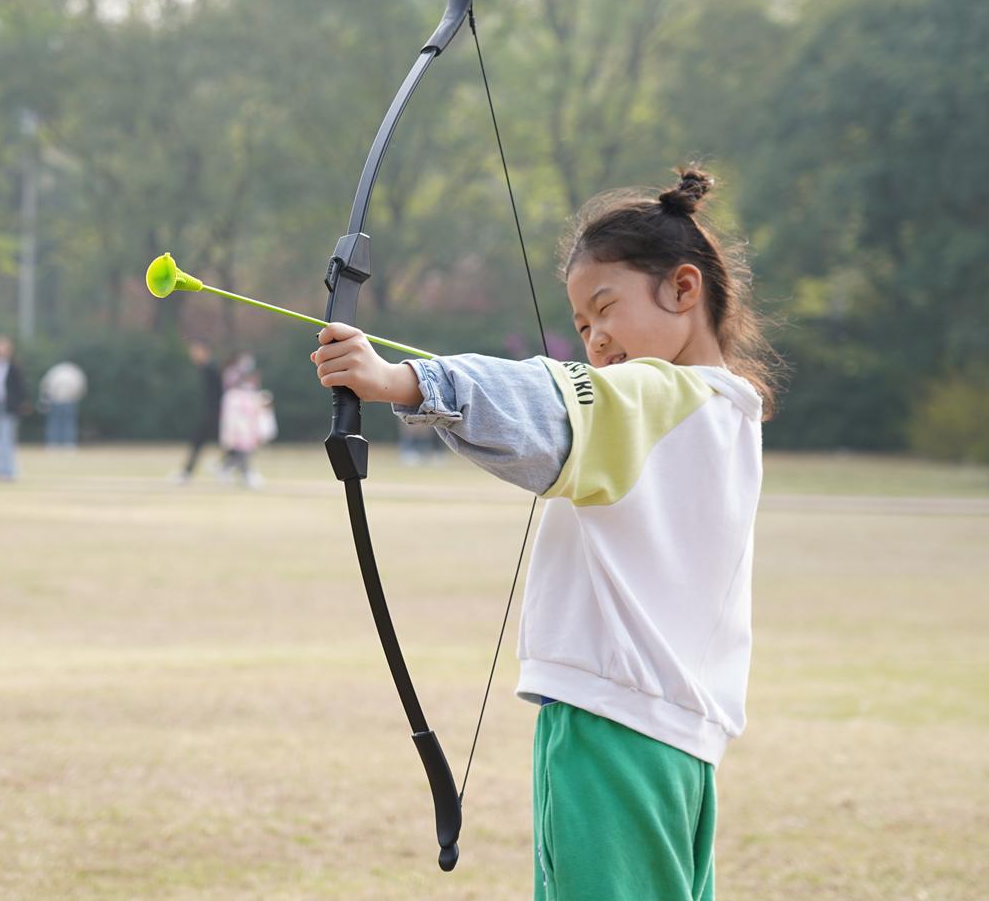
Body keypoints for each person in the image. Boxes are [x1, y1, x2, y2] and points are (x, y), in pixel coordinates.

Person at [310, 168, 779, 900]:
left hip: (614, 728)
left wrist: (400, 381)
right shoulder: (725, 413)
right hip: (677, 743)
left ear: (685, 290)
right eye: (583, 326)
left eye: (605, 309)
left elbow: (544, 406)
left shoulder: (658, 397)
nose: (594, 339)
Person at [175, 340, 222, 482]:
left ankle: (241, 471)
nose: (193, 355)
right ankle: (186, 473)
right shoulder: (205, 369)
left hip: (215, 414)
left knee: (231, 444)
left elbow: (220, 393)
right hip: (211, 413)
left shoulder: (211, 369)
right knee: (198, 442)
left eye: (197, 351)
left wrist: (218, 412)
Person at [218, 368, 268, 488]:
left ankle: (226, 469)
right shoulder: (234, 396)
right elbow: (231, 417)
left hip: (246, 432)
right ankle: (246, 475)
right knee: (241, 454)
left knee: (239, 454)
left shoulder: (249, 395)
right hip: (239, 432)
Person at [0, 334, 29, 481]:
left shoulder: (13, 368)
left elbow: (20, 389)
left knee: (7, 439)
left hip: (9, 408)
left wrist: (18, 405)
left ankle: (8, 471)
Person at [39, 361, 88, 448]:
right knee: (68, 423)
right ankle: (68, 444)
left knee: (55, 423)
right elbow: (81, 388)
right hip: (68, 401)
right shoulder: (75, 372)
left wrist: (45, 401)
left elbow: (46, 386)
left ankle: (53, 444)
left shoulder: (55, 371)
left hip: (57, 400)